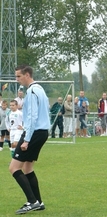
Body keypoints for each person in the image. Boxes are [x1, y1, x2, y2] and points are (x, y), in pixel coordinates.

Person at [9, 65, 50, 214]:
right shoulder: (40, 89)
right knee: (27, 168)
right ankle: (38, 202)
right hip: (42, 132)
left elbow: (33, 117)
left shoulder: (32, 91)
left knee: (13, 168)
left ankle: (32, 201)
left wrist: (26, 139)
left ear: (27, 75)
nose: (17, 79)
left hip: (34, 133)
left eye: (19, 76)